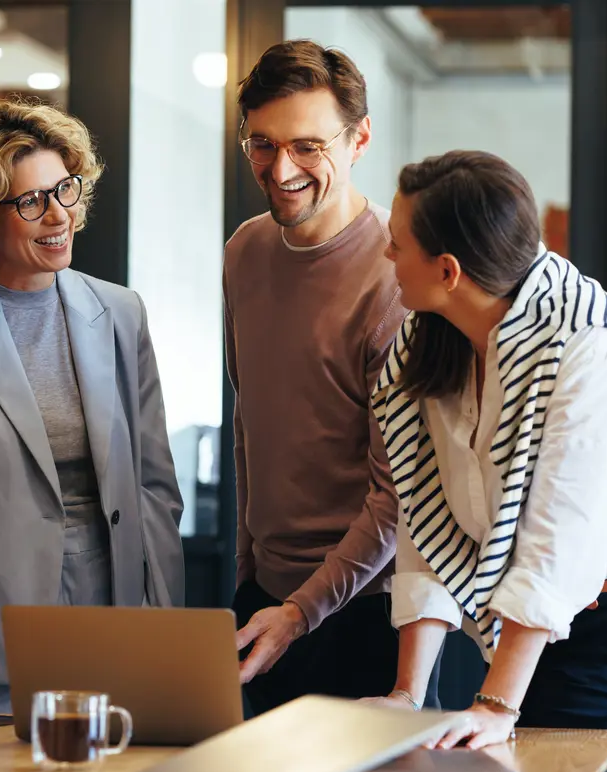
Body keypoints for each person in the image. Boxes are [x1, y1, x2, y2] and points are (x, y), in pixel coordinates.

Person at [368, 150, 607, 772]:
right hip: (540, 620)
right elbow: (428, 521)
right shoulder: (432, 341)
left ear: (448, 270)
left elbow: (558, 545)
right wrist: (408, 692)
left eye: (397, 244)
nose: (385, 255)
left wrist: (494, 703)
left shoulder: (587, 345)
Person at [0, 98, 184, 713]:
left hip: (114, 618)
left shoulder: (120, 312)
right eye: (31, 201)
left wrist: (166, 623)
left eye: (65, 190)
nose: (59, 215)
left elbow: (155, 488)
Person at [224, 39, 441, 716]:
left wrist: (301, 610)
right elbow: (249, 424)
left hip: (363, 612)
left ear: (360, 139)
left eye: (307, 146)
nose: (281, 168)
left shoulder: (396, 278)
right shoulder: (244, 250)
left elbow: (397, 492)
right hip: (261, 603)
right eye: (261, 144)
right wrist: (251, 580)